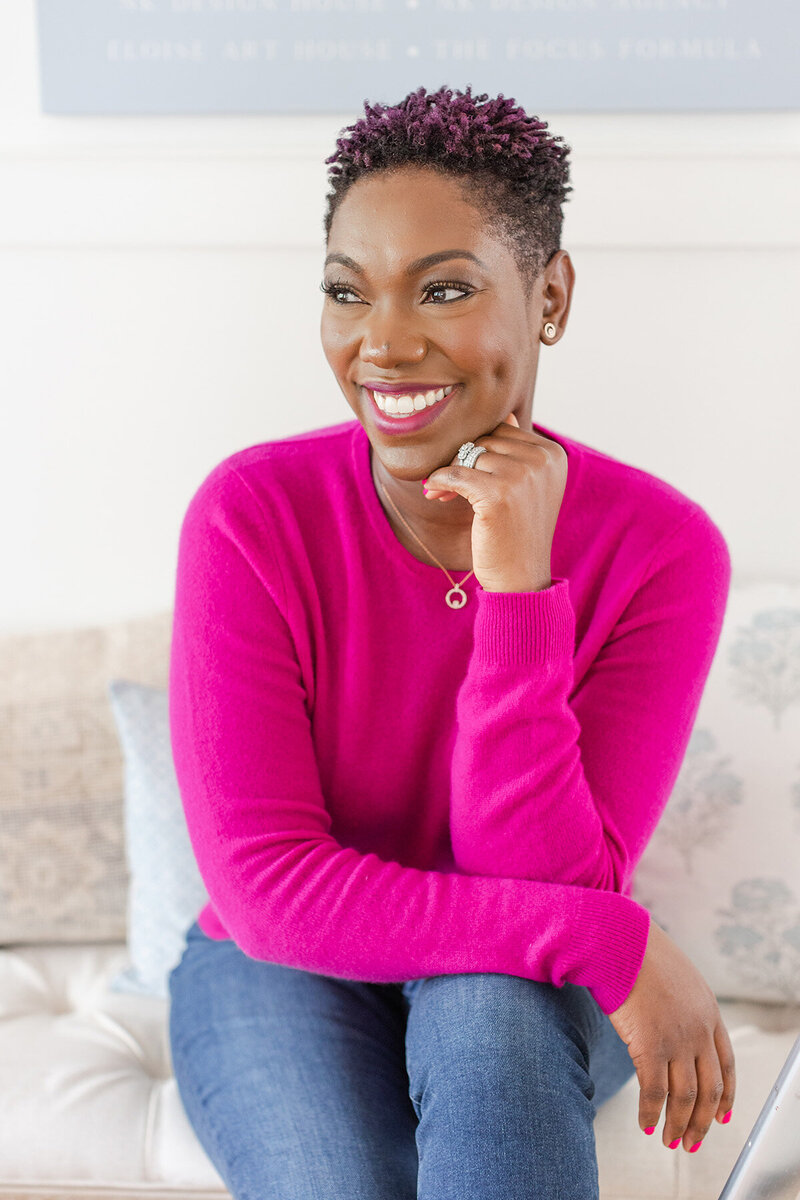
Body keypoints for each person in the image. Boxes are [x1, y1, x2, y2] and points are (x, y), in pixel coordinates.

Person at [167, 84, 737, 1200]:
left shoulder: (662, 550)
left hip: (519, 981)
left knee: (487, 1010)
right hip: (281, 968)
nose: (382, 344)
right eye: (347, 291)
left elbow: (541, 876)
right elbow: (268, 887)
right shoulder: (251, 516)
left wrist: (517, 588)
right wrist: (605, 940)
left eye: (442, 289)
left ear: (549, 295)